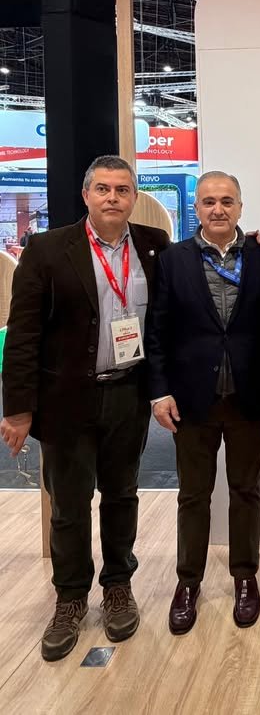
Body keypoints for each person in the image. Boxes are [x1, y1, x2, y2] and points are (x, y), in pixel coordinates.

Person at [0, 155, 170, 661]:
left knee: (122, 495)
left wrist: (253, 243)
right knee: (69, 506)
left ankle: (118, 585)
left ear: (134, 197)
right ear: (86, 195)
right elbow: (23, 334)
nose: (112, 198)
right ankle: (70, 598)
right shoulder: (48, 249)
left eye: (122, 189)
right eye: (103, 189)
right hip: (66, 400)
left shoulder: (155, 246)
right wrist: (18, 409)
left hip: (128, 395)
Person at [145, 171, 260, 635]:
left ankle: (245, 578)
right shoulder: (173, 260)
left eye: (226, 201)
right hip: (191, 400)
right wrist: (159, 391)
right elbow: (157, 331)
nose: (217, 209)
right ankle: (188, 582)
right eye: (208, 202)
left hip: (248, 396)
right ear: (196, 208)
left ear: (240, 206)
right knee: (193, 495)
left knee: (246, 491)